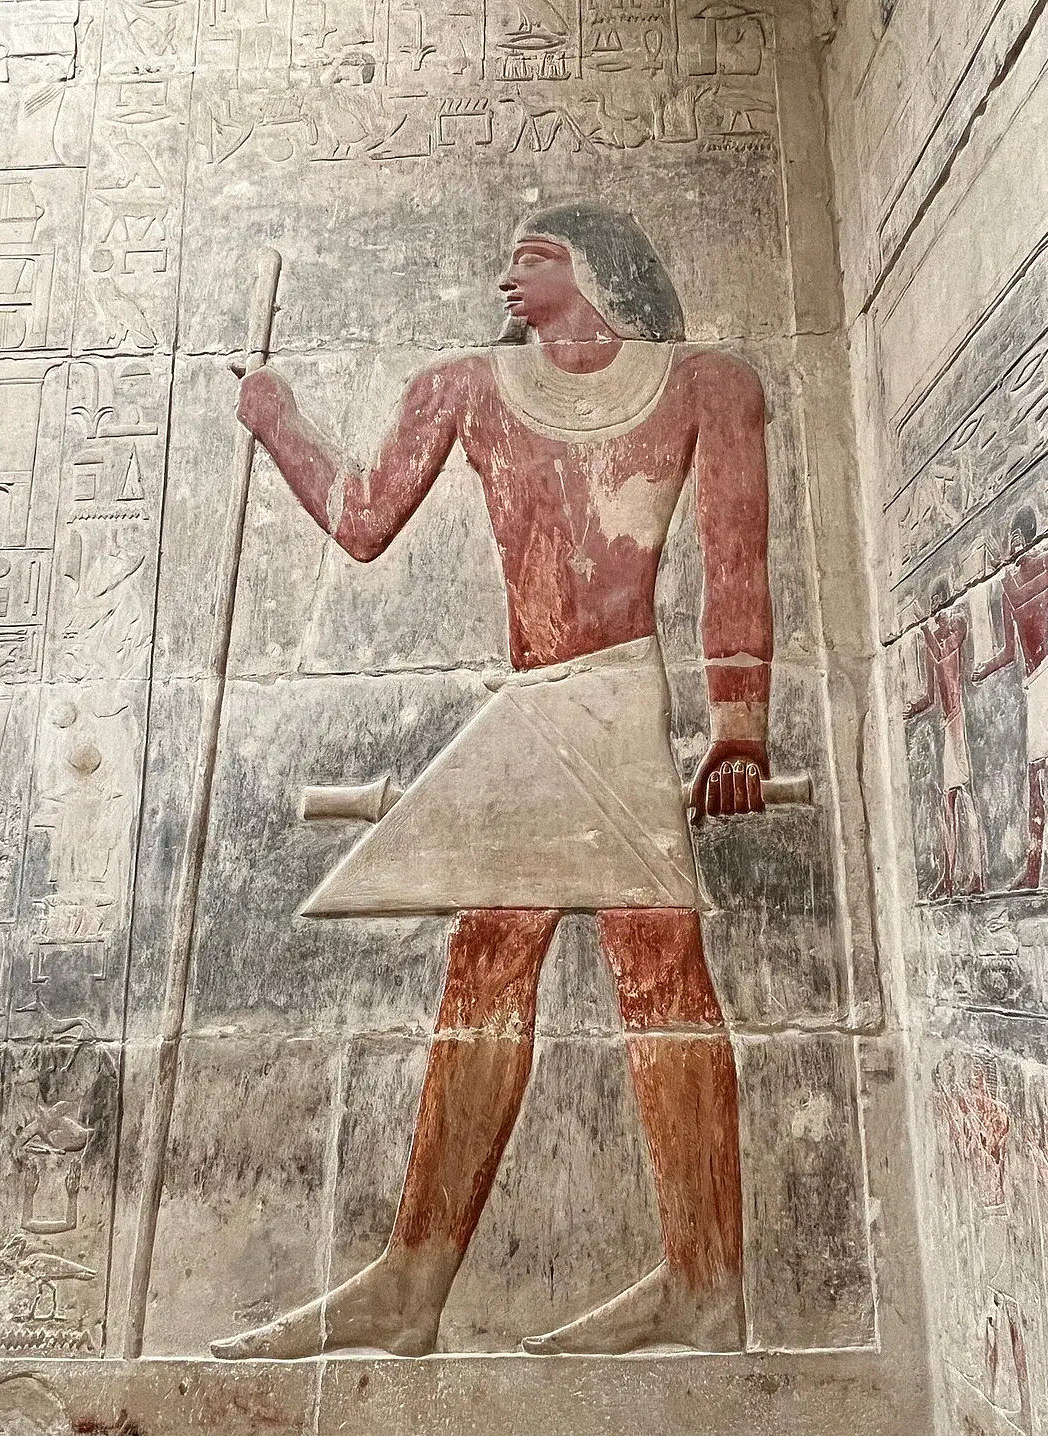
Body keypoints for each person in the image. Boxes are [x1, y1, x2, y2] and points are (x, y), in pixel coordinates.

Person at [210, 203, 774, 1359]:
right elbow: (361, 519)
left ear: (597, 267)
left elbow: (736, 555)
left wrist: (738, 726)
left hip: (613, 697)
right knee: (507, 962)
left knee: (648, 969)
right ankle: (434, 1285)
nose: (508, 276)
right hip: (533, 714)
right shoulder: (464, 385)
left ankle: (692, 1282)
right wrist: (279, 422)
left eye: (534, 256)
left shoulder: (706, 383)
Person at [972, 507, 1048, 890]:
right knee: (1035, 777)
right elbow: (1009, 651)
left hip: (1047, 676)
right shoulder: (1010, 584)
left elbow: (1024, 597)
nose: (1014, 546)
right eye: (1011, 542)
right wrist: (986, 668)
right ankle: (1035, 866)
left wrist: (1001, 572)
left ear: (1029, 536)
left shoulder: (1046, 562)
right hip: (1029, 684)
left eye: (1017, 539)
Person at [904, 580, 984, 898]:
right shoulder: (933, 637)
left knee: (964, 796)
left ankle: (976, 874)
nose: (937, 608)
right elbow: (931, 694)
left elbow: (943, 654)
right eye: (933, 603)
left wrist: (923, 627)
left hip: (961, 720)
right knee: (948, 801)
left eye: (940, 601)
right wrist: (913, 709)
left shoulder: (956, 625)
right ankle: (949, 876)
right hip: (946, 724)